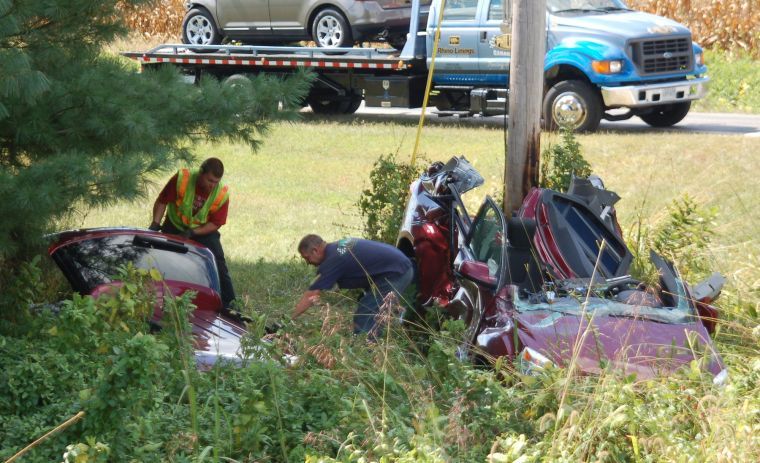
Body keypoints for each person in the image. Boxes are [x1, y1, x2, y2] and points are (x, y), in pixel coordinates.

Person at [149, 157, 236, 309]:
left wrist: (193, 232)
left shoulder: (221, 194)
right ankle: (156, 296)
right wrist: (155, 224)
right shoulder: (182, 179)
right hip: (174, 224)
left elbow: (215, 223)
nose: (212, 185)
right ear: (201, 173)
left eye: (216, 181)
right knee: (162, 258)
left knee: (218, 263)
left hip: (203, 231)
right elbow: (163, 200)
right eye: (210, 180)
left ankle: (230, 306)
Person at [293, 234, 414, 336]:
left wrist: (289, 319)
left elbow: (312, 295)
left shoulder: (333, 260)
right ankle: (390, 328)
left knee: (365, 316)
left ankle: (367, 352)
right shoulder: (338, 247)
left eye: (307, 258)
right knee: (368, 304)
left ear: (315, 250)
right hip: (399, 265)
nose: (308, 263)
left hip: (396, 272)